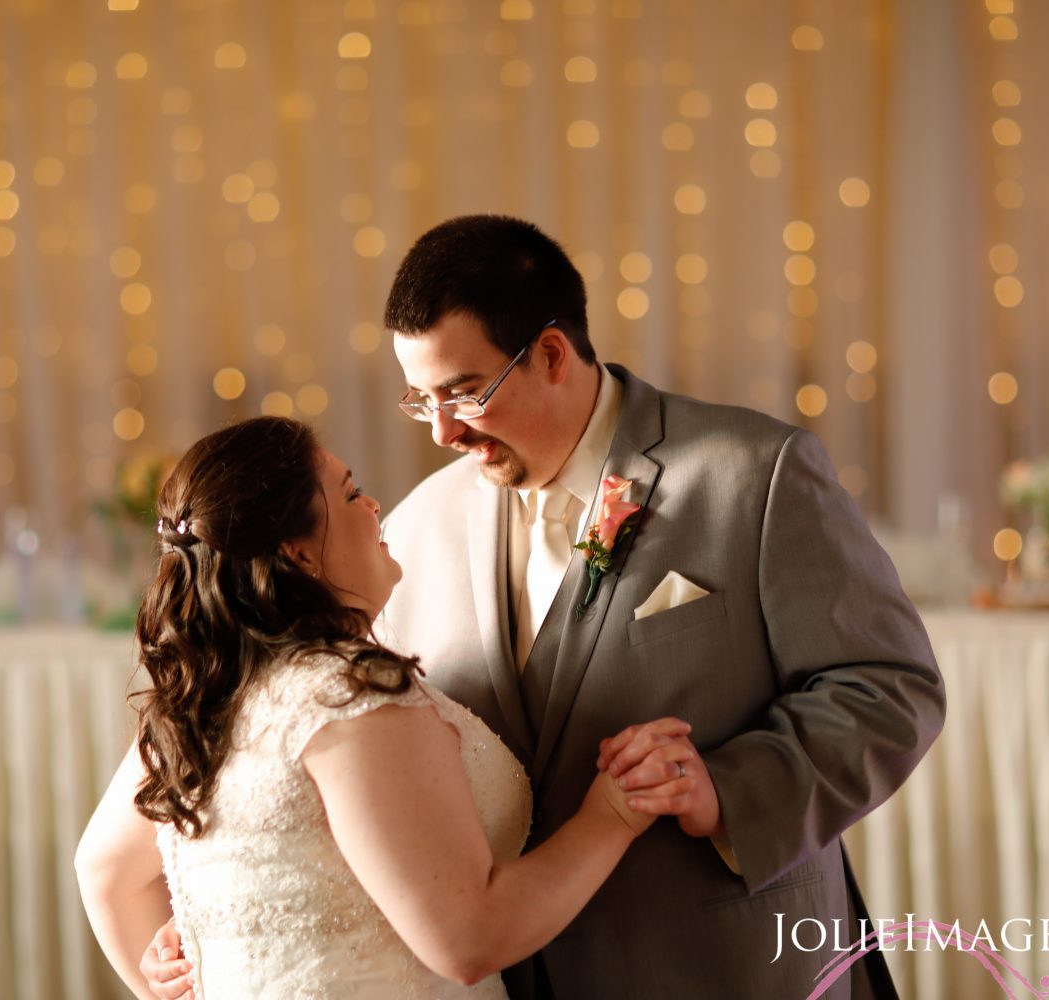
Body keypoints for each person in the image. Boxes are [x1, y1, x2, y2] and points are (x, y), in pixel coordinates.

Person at [374, 215, 946, 997]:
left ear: (549, 354)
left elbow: (890, 688)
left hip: (729, 970)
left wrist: (727, 792)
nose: (440, 430)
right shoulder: (415, 529)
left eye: (464, 393)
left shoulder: (758, 474)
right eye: (419, 399)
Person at [75, 416, 694, 999]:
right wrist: (612, 813)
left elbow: (106, 873)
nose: (373, 506)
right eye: (350, 494)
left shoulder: (203, 698)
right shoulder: (350, 698)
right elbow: (469, 938)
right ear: (299, 554)